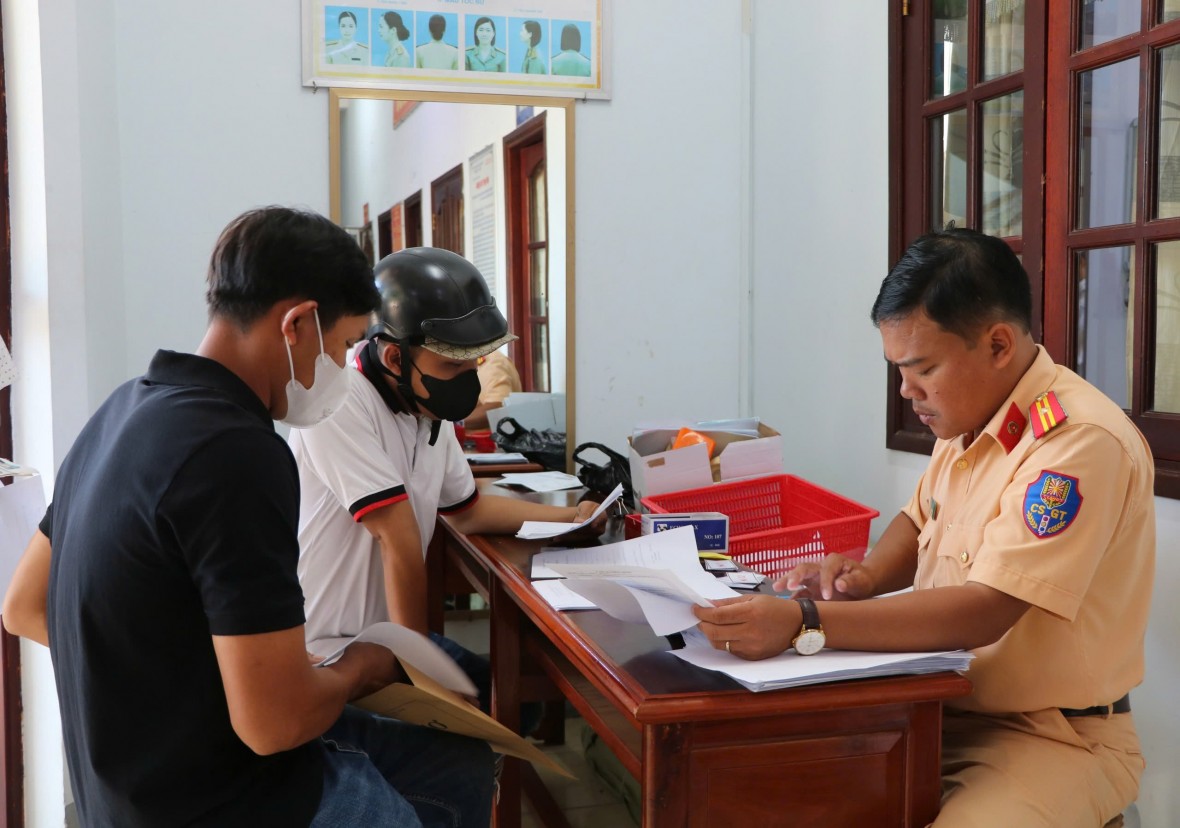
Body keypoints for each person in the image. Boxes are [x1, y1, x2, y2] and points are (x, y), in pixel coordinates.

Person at [0, 207, 494, 827]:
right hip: (218, 797)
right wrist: (362, 666)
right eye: (343, 346)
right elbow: (276, 725)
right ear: (297, 324)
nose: (343, 367)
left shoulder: (123, 409)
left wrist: (187, 678)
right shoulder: (236, 452)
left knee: (455, 764)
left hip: (124, 793)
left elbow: (23, 605)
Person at [693, 227, 1153, 827]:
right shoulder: (970, 416)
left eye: (923, 368)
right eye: (899, 370)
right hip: (930, 707)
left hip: (1050, 736)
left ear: (998, 344)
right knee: (756, 790)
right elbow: (919, 520)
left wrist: (806, 622)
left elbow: (986, 608)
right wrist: (864, 578)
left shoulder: (1075, 443)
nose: (907, 391)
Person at [289, 247, 604, 710]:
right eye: (453, 366)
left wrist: (571, 518)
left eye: (473, 364)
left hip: (389, 635)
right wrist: (424, 681)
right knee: (466, 734)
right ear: (395, 358)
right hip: (333, 651)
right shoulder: (339, 402)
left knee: (516, 701)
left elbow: (468, 511)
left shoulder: (423, 406)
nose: (468, 380)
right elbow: (397, 536)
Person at [465, 349, 523, 430]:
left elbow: (497, 408)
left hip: (495, 436)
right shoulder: (468, 362)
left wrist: (454, 424)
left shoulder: (492, 363)